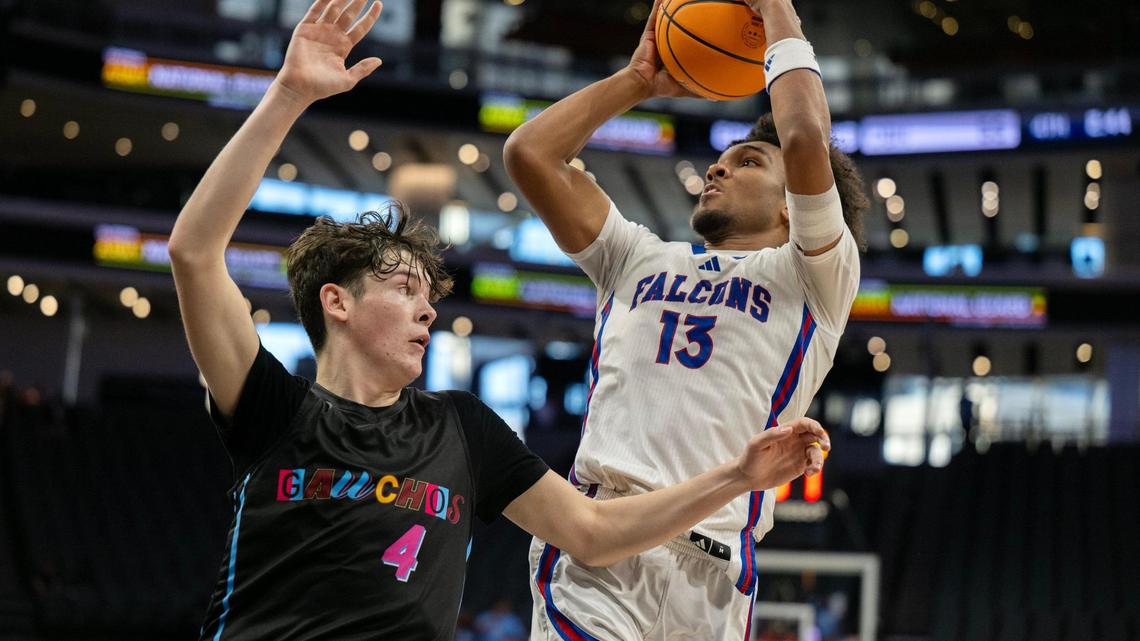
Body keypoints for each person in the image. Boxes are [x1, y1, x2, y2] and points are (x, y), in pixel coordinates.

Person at [167, 1, 831, 639]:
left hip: (704, 569)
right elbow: (193, 252)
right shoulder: (272, 408)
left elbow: (592, 533)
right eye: (403, 287)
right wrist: (288, 93)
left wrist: (739, 478)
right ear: (335, 302)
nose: (427, 306)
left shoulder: (461, 428)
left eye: (428, 291)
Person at [503, 0, 868, 638]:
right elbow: (530, 155)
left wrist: (777, 10)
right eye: (721, 159)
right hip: (602, 551)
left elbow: (806, 138)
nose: (717, 167)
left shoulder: (813, 277)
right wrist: (638, 80)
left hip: (717, 581)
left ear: (792, 207)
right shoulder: (634, 256)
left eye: (749, 161)